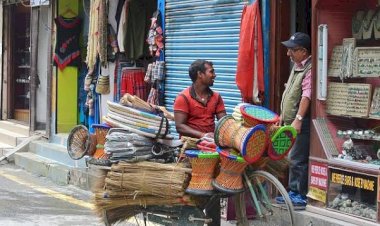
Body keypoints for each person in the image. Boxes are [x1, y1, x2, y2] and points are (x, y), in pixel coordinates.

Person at [173, 59, 226, 226]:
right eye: (211, 71)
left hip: (210, 148)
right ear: (200, 75)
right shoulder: (183, 97)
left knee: (214, 188)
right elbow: (180, 126)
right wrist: (203, 135)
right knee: (191, 189)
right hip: (190, 149)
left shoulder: (216, 97)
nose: (214, 75)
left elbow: (223, 120)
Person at [276, 32, 312, 207]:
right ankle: (292, 191)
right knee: (291, 157)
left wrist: (298, 119)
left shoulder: (310, 69)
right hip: (290, 121)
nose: (288, 54)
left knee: (297, 158)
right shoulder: (297, 66)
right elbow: (290, 92)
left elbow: (307, 96)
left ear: (303, 51)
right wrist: (282, 116)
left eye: (291, 50)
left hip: (300, 122)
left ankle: (299, 194)